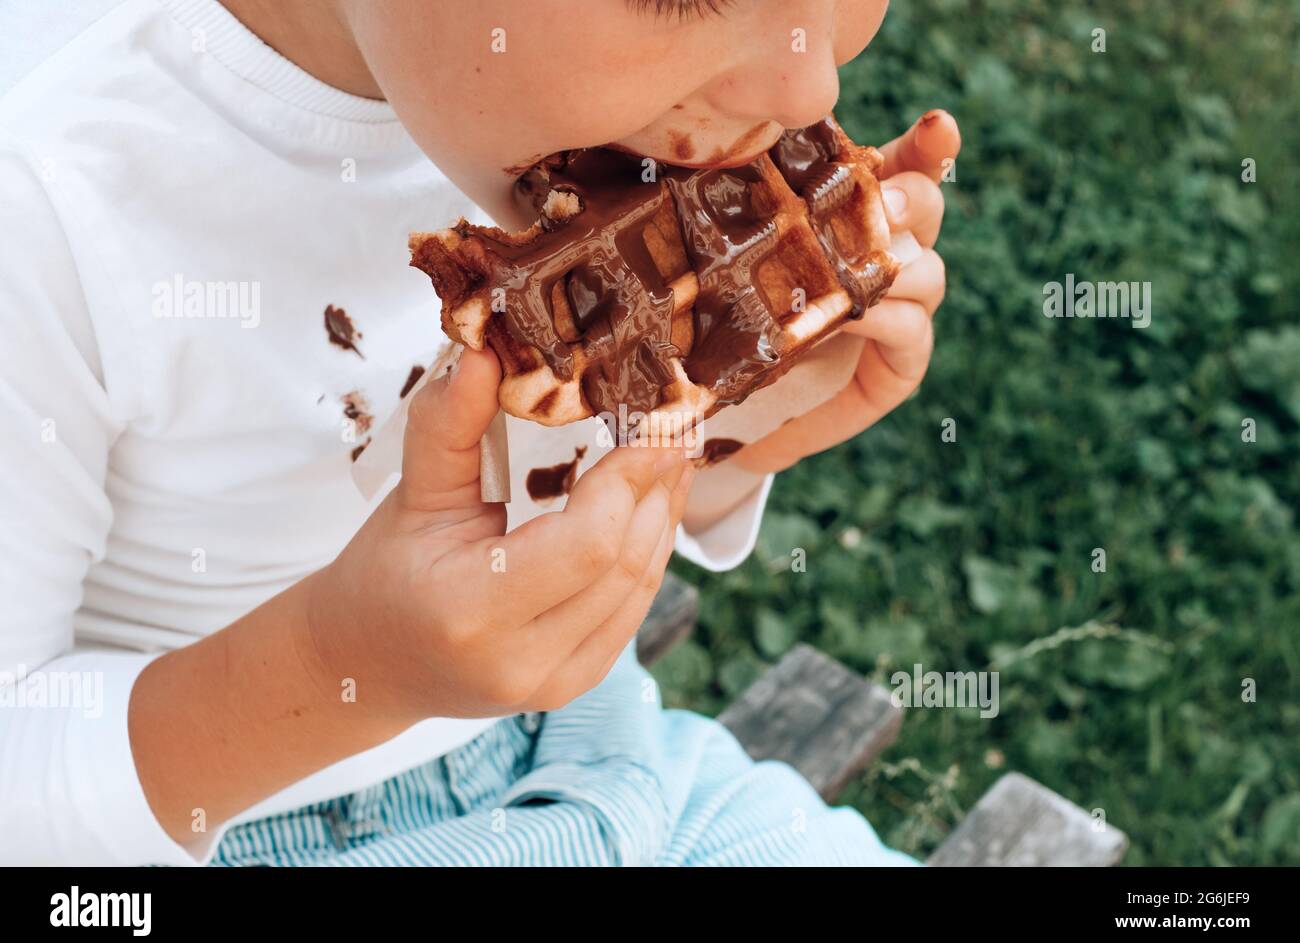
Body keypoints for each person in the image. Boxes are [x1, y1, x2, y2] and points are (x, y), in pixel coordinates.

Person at [0, 0, 957, 865]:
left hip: (602, 742)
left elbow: (553, 475)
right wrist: (342, 666)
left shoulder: (564, 104)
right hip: (219, 828)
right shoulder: (42, 181)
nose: (809, 82)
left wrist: (737, 436)